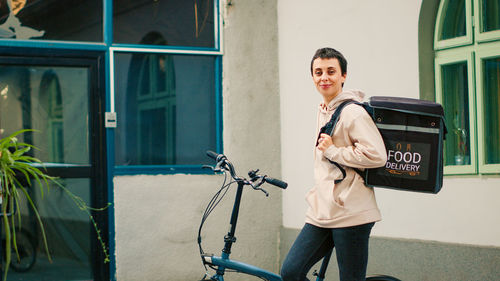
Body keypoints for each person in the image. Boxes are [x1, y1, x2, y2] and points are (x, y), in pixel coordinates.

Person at [280, 47, 387, 281]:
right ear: (312, 77)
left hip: (352, 211)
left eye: (331, 71)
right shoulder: (324, 110)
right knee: (290, 272)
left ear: (343, 76)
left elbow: (377, 155)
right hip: (322, 211)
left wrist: (334, 151)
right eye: (318, 72)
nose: (324, 77)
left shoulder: (352, 113)